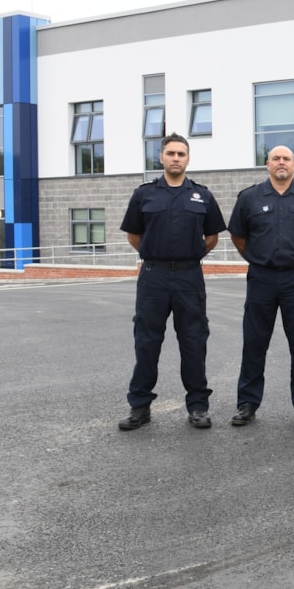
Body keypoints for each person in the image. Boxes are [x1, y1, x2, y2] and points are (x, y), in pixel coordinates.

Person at [117, 133, 228, 431]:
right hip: (153, 276)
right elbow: (133, 235)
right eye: (170, 153)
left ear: (188, 158)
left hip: (190, 277)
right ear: (161, 158)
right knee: (147, 342)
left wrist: (189, 257)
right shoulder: (144, 194)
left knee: (193, 342)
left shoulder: (202, 195)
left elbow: (213, 236)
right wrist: (155, 255)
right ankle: (140, 407)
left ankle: (198, 407)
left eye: (181, 153)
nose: (176, 158)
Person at [227, 145, 294, 427]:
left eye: (286, 158)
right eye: (276, 158)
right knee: (254, 342)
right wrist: (254, 257)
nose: (281, 162)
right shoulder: (249, 198)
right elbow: (237, 235)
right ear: (267, 164)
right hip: (261, 279)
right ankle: (247, 403)